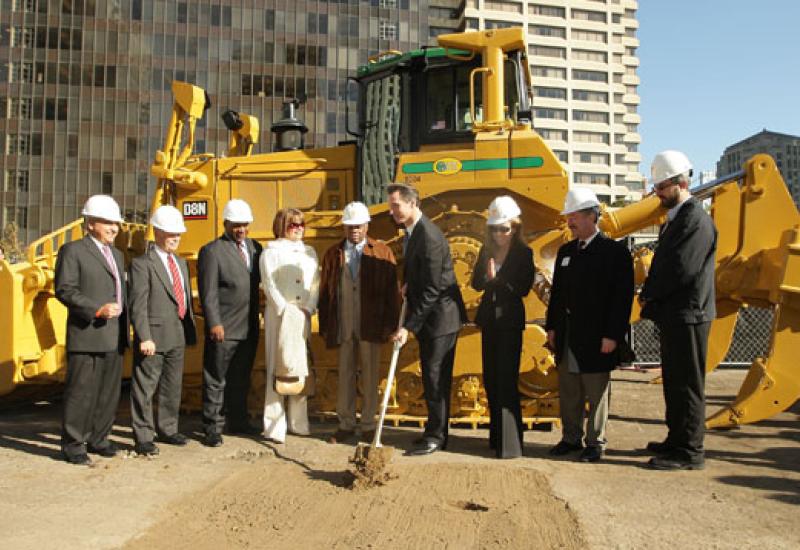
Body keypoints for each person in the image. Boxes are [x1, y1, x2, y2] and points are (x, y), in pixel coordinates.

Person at [639, 150, 717, 471]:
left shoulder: (695, 220)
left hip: (690, 314)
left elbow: (681, 269)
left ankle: (689, 451)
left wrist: (650, 295)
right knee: (674, 380)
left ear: (679, 184)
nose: (657, 194)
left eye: (660, 188)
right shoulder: (678, 220)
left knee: (687, 384)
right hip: (678, 315)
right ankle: (677, 438)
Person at [545, 188, 634, 463]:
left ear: (591, 217)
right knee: (569, 389)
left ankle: (595, 442)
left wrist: (612, 335)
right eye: (569, 217)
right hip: (568, 334)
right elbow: (557, 294)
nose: (569, 222)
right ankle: (571, 438)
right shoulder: (566, 252)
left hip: (598, 336)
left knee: (596, 392)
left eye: (574, 217)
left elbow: (621, 299)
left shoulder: (614, 253)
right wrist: (552, 327)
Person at [388, 183, 466, 455]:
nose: (392, 210)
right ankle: (434, 431)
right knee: (432, 377)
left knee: (435, 378)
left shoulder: (429, 236)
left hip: (441, 319)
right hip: (431, 318)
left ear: (412, 204)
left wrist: (409, 327)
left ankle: (437, 437)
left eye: (396, 205)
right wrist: (409, 283)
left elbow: (435, 288)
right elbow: (421, 274)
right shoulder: (413, 233)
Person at [54, 195, 129, 465]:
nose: (113, 228)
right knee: (81, 393)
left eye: (116, 223)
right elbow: (65, 289)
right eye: (107, 222)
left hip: (114, 335)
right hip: (87, 334)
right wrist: (97, 309)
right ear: (90, 224)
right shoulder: (73, 251)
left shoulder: (118, 255)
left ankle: (99, 439)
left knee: (108, 393)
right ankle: (73, 445)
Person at [318, 202, 401, 444]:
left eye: (358, 226)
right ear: (344, 227)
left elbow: (391, 293)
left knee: (370, 374)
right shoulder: (333, 254)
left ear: (367, 226)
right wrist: (325, 324)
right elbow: (325, 292)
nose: (354, 230)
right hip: (343, 323)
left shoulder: (382, 252)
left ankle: (368, 425)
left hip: (371, 323)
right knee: (345, 373)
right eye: (350, 226)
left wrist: (391, 325)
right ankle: (345, 424)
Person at [129, 206, 197, 457]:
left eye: (178, 234)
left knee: (172, 386)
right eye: (171, 234)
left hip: (177, 333)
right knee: (145, 387)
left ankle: (168, 429)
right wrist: (144, 336)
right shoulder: (142, 264)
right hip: (154, 337)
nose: (175, 239)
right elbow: (138, 304)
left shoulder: (180, 262)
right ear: (157, 232)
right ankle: (144, 436)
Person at [471, 196, 535, 459]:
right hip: (489, 321)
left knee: (507, 381)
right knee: (492, 379)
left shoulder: (523, 254)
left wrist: (497, 281)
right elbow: (476, 282)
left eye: (504, 229)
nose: (499, 234)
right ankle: (496, 438)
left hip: (509, 322)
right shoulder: (485, 251)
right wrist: (487, 279)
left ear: (515, 227)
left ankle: (511, 445)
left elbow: (522, 288)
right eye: (495, 229)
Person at [197, 199, 262, 447]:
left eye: (245, 225)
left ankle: (238, 421)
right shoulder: (212, 251)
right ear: (225, 223)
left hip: (248, 328)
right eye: (236, 225)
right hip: (224, 328)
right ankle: (212, 426)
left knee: (241, 377)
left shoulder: (256, 248)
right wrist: (214, 323)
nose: (241, 229)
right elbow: (208, 292)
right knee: (216, 378)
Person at [261, 208, 320, 443]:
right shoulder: (271, 252)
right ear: (282, 226)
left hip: (302, 313)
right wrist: (283, 309)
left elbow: (315, 282)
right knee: (278, 365)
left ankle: (299, 422)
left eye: (301, 224)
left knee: (299, 365)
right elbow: (268, 282)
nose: (298, 228)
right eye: (293, 224)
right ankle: (274, 425)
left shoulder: (309, 252)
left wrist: (309, 307)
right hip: (280, 316)